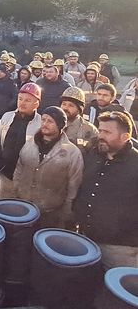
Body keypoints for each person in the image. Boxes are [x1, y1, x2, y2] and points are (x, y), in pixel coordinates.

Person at [75, 111, 138, 269]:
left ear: (125, 137)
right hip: (86, 238)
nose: (101, 135)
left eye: (107, 132)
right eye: (100, 130)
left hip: (120, 249)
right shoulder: (94, 154)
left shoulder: (135, 164)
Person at [8, 106, 83, 228]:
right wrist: (17, 189)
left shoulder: (71, 153)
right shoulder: (30, 144)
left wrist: (67, 212)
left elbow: (74, 185)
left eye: (50, 121)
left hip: (51, 214)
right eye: (43, 120)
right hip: (24, 207)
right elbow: (19, 169)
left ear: (60, 125)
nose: (45, 124)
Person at [0, 82, 42, 198]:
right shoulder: (7, 117)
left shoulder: (41, 123)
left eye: (27, 100)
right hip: (6, 175)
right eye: (20, 99)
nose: (22, 103)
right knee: (2, 210)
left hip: (28, 180)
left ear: (36, 103)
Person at [59, 86, 98, 152]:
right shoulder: (53, 124)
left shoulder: (89, 129)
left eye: (71, 105)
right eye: (64, 104)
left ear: (79, 109)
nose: (65, 108)